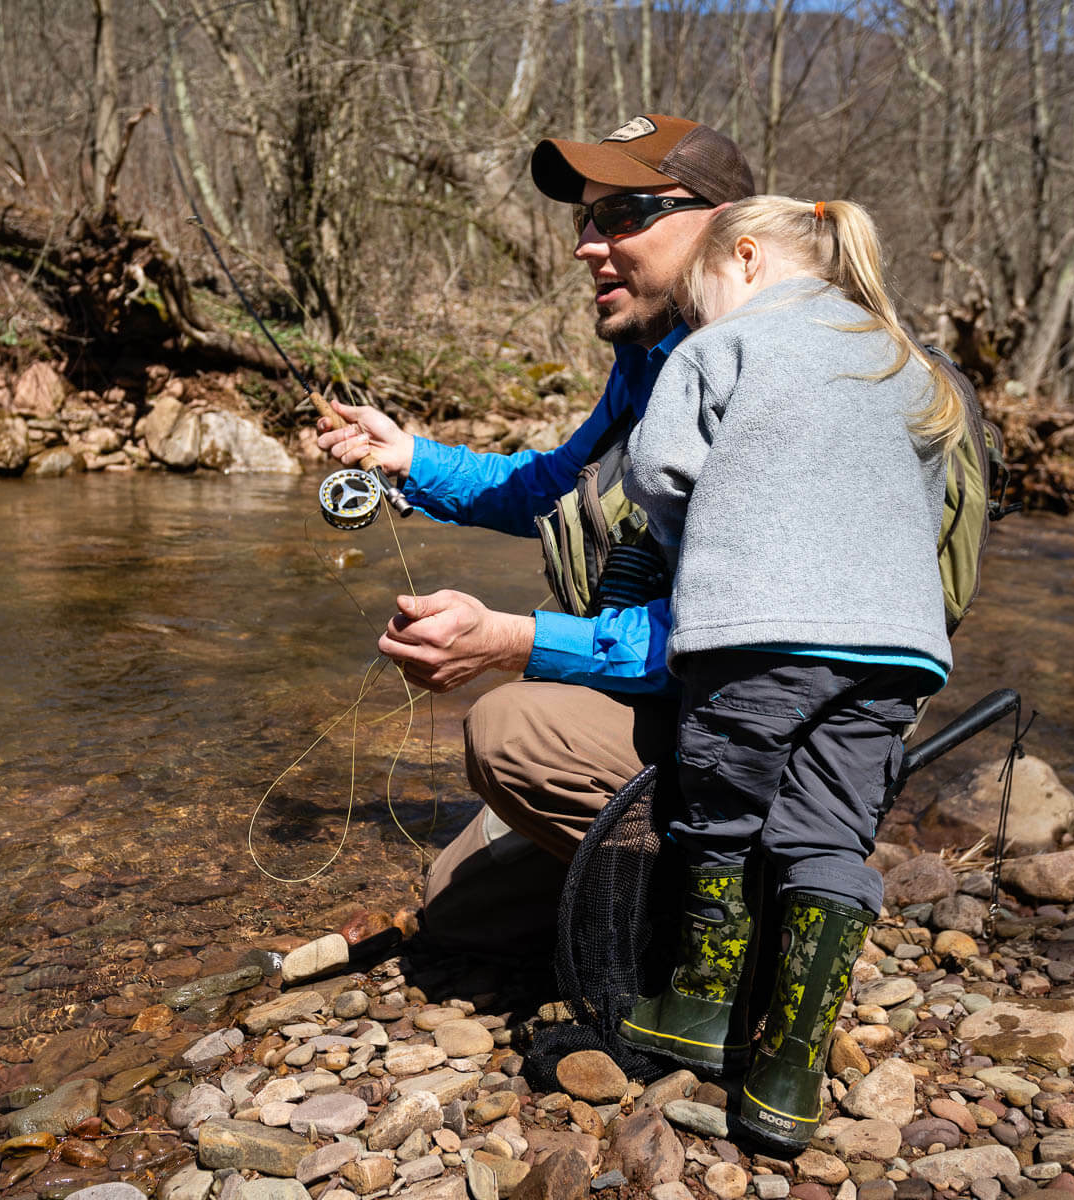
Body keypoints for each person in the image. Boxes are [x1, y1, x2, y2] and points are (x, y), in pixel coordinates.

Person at [316, 116, 756, 957]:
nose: (589, 246)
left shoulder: (767, 378)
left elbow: (729, 637)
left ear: (723, 224)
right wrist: (407, 457)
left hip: (767, 732)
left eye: (623, 215)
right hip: (692, 709)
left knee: (509, 731)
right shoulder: (658, 358)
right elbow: (559, 489)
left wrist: (513, 643)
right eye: (585, 221)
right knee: (456, 906)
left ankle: (736, 922)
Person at [616, 196, 963, 1152]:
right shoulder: (901, 356)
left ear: (750, 256)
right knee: (832, 835)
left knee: (717, 810)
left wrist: (700, 547)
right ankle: (790, 1073)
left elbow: (657, 471)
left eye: (700, 294)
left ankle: (699, 1010)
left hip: (760, 633)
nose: (696, 314)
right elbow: (924, 505)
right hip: (897, 648)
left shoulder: (723, 347)